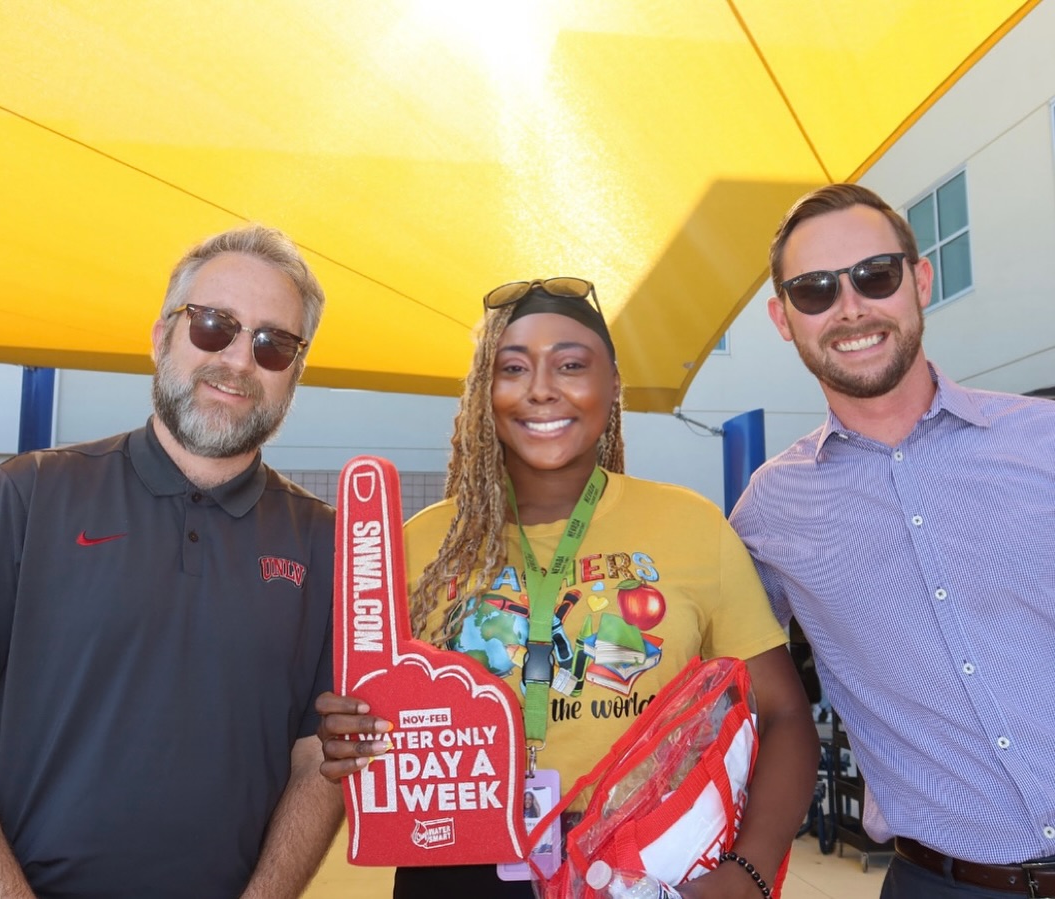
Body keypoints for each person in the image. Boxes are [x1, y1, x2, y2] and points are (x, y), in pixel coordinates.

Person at [316, 278, 818, 898]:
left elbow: (787, 715)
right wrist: (354, 737)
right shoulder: (418, 544)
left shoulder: (690, 526)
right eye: (513, 367)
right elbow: (377, 720)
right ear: (484, 394)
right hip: (457, 869)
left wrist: (749, 875)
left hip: (637, 867)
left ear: (612, 385)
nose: (542, 388)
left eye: (571, 365)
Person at [729, 183, 1055, 899]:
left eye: (874, 275)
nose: (850, 307)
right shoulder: (766, 513)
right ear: (783, 319)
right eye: (814, 290)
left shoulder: (1045, 443)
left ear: (920, 279)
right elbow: (716, 689)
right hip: (942, 882)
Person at [0, 225, 344, 898]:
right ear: (162, 337)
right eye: (215, 325)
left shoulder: (323, 542)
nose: (241, 360)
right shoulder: (28, 495)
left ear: (294, 375)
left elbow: (320, 757)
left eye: (273, 344)